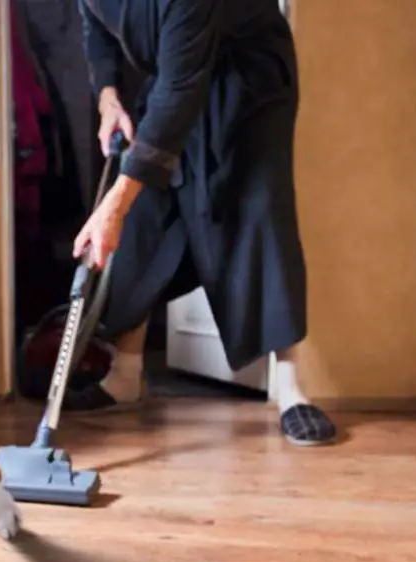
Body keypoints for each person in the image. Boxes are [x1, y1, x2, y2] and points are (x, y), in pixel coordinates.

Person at [66, 0, 337, 446]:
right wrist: (108, 98)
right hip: (179, 70)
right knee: (145, 215)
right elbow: (94, 29)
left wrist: (112, 206)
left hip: (248, 81)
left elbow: (179, 91)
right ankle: (125, 376)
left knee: (258, 213)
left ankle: (291, 389)